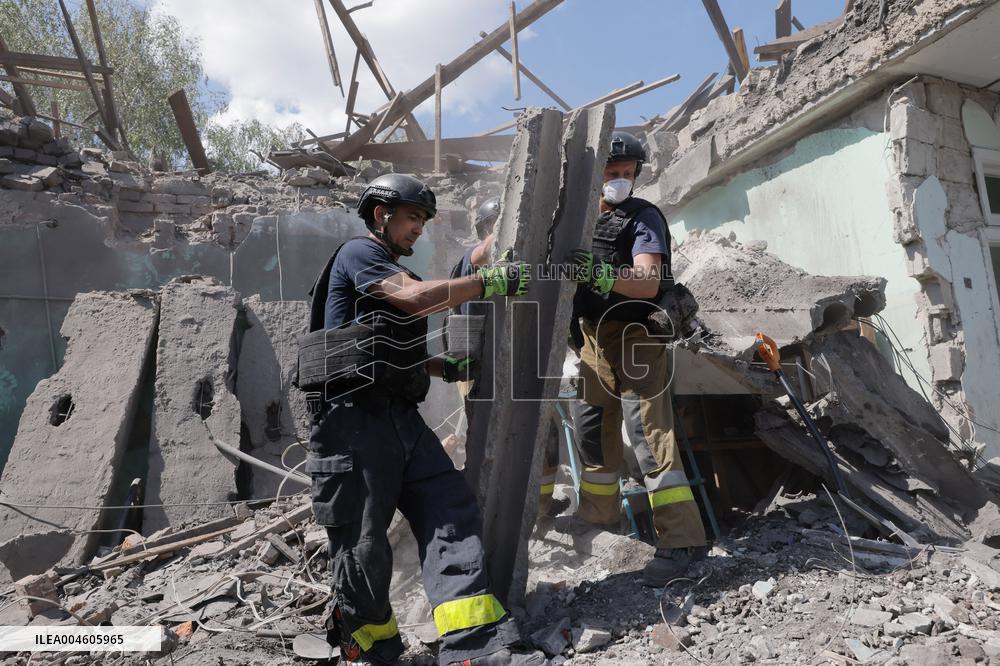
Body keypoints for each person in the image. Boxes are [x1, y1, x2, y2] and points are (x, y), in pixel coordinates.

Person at [302, 174, 543, 665]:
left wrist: (439, 365)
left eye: (424, 221)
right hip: (352, 423)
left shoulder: (388, 268)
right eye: (413, 218)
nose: (419, 230)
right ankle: (370, 646)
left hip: (398, 418)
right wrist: (488, 280)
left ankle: (476, 648)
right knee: (364, 544)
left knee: (450, 509)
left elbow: (382, 345)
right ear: (380, 215)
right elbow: (416, 299)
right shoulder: (358, 253)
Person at [567, 131, 709, 587]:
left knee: (649, 434)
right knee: (591, 427)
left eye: (627, 174)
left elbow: (647, 282)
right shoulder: (576, 220)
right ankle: (597, 518)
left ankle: (681, 540)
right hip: (593, 337)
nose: (620, 181)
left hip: (637, 335)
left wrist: (597, 271)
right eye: (612, 173)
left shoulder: (643, 217)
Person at [447, 196, 563, 518]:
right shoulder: (468, 263)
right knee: (487, 439)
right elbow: (481, 254)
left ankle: (540, 510)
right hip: (477, 369)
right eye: (496, 226)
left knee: (544, 433)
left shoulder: (520, 266)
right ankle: (482, 508)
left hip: (515, 366)